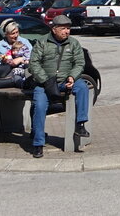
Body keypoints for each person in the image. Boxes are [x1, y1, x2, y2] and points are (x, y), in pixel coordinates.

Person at [25, 14, 89, 158]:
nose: (67, 31)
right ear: (54, 29)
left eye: (68, 28)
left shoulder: (73, 43)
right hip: (44, 83)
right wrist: (45, 80)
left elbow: (79, 63)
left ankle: (81, 124)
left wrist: (73, 76)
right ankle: (38, 144)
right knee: (40, 106)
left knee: (83, 87)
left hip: (65, 80)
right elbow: (33, 64)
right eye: (63, 29)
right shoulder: (42, 43)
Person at [0, 20, 32, 87]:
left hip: (24, 72)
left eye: (17, 32)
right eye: (13, 33)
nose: (16, 35)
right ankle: (22, 83)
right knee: (15, 76)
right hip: (8, 77)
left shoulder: (24, 42)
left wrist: (21, 59)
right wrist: (4, 62)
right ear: (6, 34)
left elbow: (33, 58)